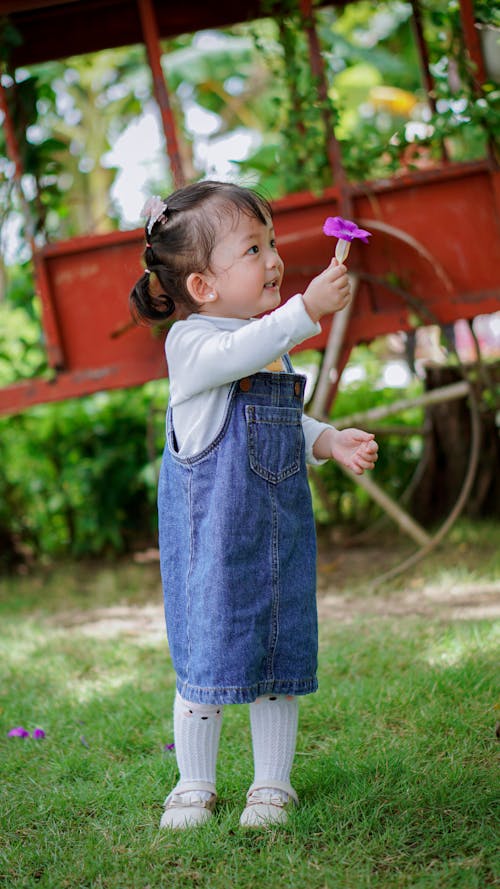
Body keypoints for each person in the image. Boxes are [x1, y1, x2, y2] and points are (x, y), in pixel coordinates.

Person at [129, 180, 378, 831]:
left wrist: (326, 437)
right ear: (204, 287)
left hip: (276, 537)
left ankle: (272, 783)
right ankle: (194, 782)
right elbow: (239, 355)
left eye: (271, 242)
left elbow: (281, 415)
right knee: (205, 659)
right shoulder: (193, 345)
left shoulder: (264, 341)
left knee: (278, 658)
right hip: (214, 545)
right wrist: (304, 309)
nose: (273, 258)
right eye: (253, 247)